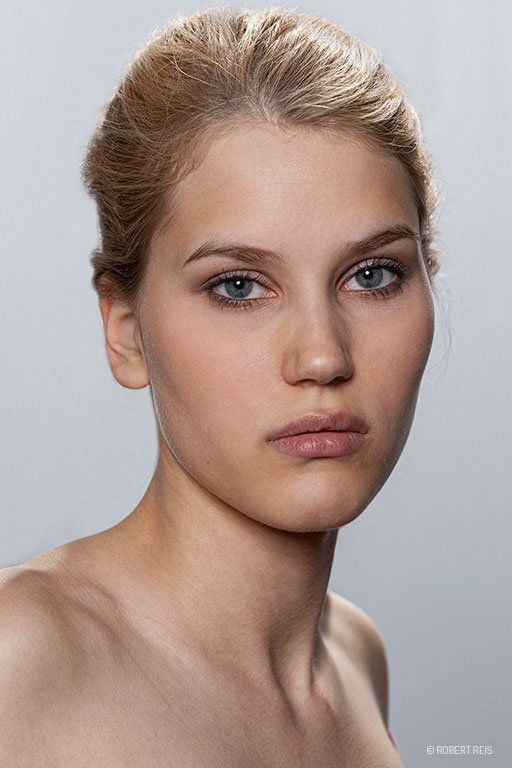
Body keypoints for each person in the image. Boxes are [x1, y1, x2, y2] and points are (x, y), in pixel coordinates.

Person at [0, 5, 444, 766]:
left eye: (373, 276)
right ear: (125, 331)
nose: (322, 357)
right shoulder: (20, 663)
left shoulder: (356, 658)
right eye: (238, 286)